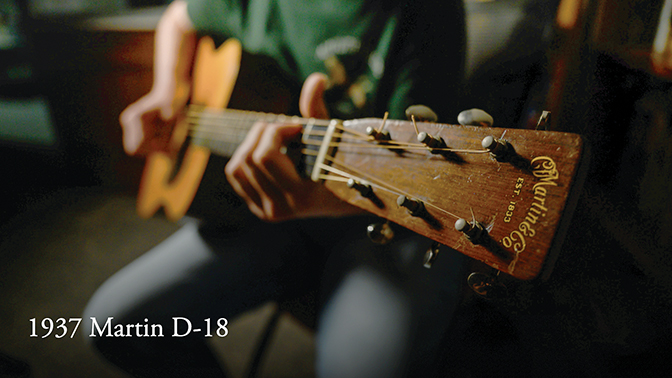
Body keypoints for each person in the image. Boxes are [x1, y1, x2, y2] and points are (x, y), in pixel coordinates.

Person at [83, 0, 468, 377]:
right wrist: (167, 91)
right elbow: (177, 18)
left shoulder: (426, 12)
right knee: (113, 326)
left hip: (387, 223)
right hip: (269, 218)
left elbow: (418, 177)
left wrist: (315, 198)